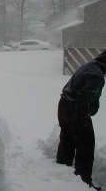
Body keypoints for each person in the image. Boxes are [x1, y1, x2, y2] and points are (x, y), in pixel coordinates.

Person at [56, 50, 106, 190]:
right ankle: (84, 183)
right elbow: (85, 100)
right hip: (76, 112)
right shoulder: (97, 76)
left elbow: (68, 87)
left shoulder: (87, 67)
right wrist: (90, 110)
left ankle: (60, 174)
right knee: (86, 147)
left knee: (67, 141)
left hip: (64, 105)